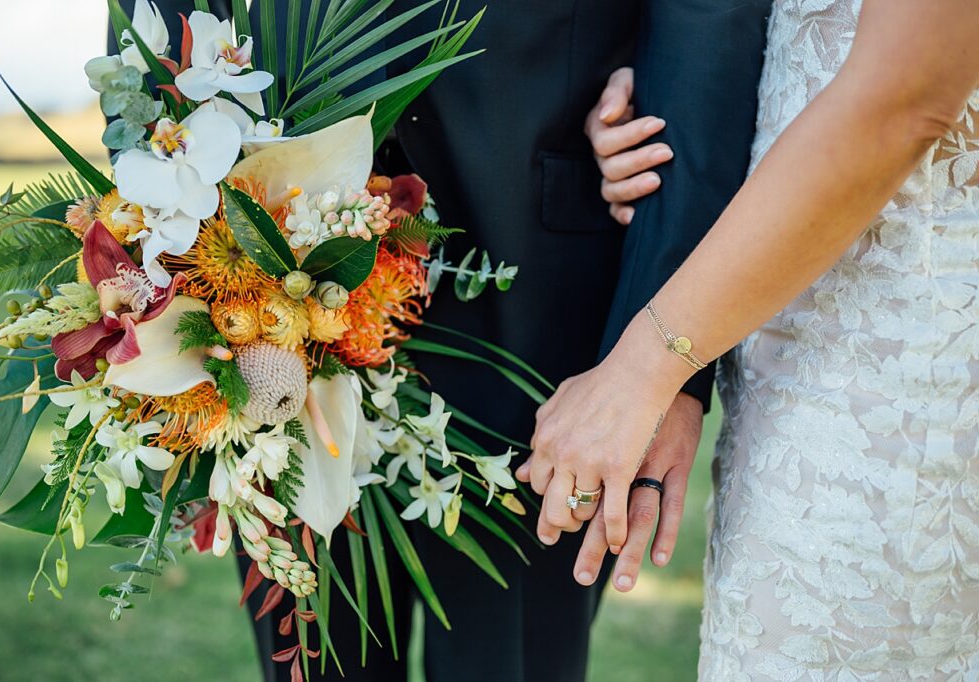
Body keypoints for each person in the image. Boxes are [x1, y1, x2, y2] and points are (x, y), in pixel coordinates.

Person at [109, 2, 769, 680]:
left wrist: (668, 369)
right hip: (262, 278)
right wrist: (158, 247)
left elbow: (707, 23)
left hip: (542, 297)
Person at [527, 0, 979, 678]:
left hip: (914, 380)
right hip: (785, 352)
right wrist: (643, 118)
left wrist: (644, 370)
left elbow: (904, 100)